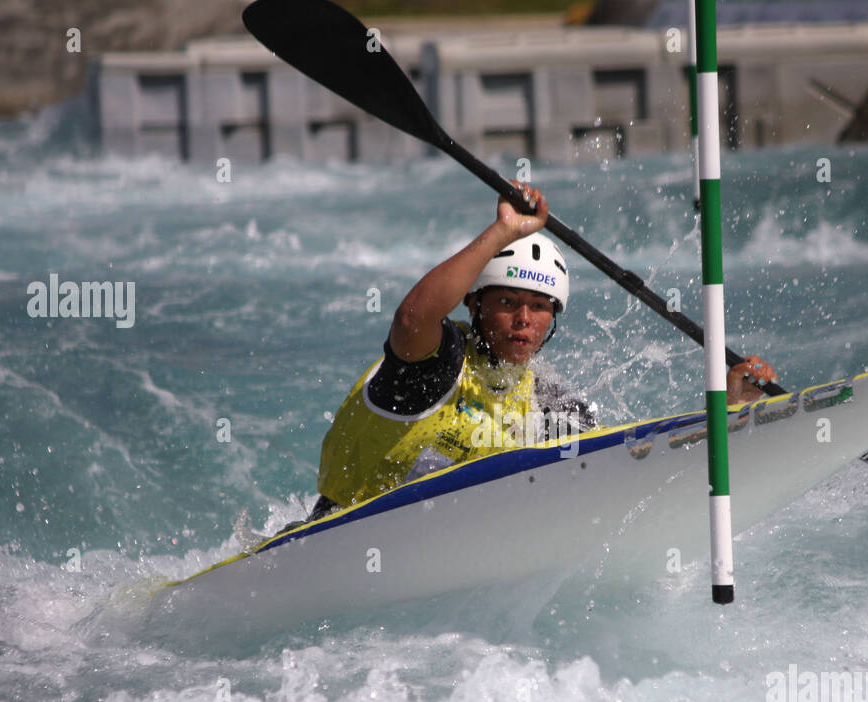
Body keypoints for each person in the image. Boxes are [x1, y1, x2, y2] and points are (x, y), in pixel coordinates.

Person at [305, 181, 777, 522]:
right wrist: (502, 233)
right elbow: (411, 318)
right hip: (336, 537)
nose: (523, 320)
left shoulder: (550, 402)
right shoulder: (435, 365)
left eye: (538, 307)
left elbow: (620, 476)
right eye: (507, 303)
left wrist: (726, 411)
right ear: (474, 305)